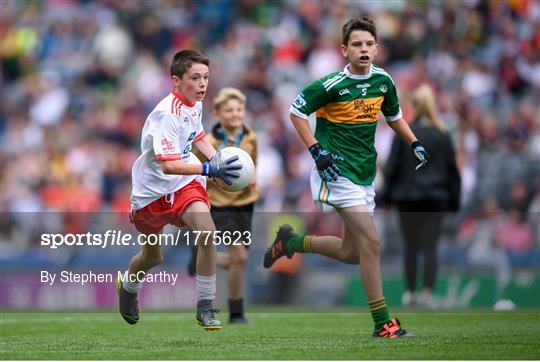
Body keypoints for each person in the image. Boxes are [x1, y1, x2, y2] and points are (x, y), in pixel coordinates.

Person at [263, 17, 428, 338]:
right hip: (336, 171)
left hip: (365, 174)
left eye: (368, 44)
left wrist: (415, 142)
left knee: (353, 253)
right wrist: (316, 151)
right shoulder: (329, 85)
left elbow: (394, 117)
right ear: (344, 50)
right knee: (372, 242)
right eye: (357, 44)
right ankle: (383, 323)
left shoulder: (384, 81)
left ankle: (291, 242)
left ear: (377, 48)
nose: (363, 49)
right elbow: (296, 113)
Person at [117, 50, 242, 330]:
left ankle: (205, 306)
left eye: (206, 78)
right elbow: (169, 167)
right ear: (176, 81)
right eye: (195, 78)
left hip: (185, 183)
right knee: (154, 257)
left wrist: (215, 160)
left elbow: (196, 135)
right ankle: (127, 286)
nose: (202, 84)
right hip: (152, 193)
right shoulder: (166, 114)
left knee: (207, 232)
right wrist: (210, 170)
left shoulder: (194, 103)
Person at [382, 84, 461, 308]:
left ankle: (410, 292)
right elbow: (452, 172)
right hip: (435, 199)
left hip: (407, 199)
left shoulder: (405, 132)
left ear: (414, 105)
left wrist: (387, 198)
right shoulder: (442, 134)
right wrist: (453, 201)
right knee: (430, 247)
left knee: (410, 246)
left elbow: (392, 167)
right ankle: (427, 293)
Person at [189, 87, 259, 324]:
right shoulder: (207, 142)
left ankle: (201, 257)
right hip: (217, 204)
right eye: (229, 110)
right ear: (217, 114)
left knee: (240, 260)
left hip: (243, 204)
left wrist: (252, 179)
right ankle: (236, 312)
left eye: (239, 109)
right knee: (239, 254)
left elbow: (251, 168)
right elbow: (194, 171)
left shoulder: (250, 137)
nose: (235, 113)